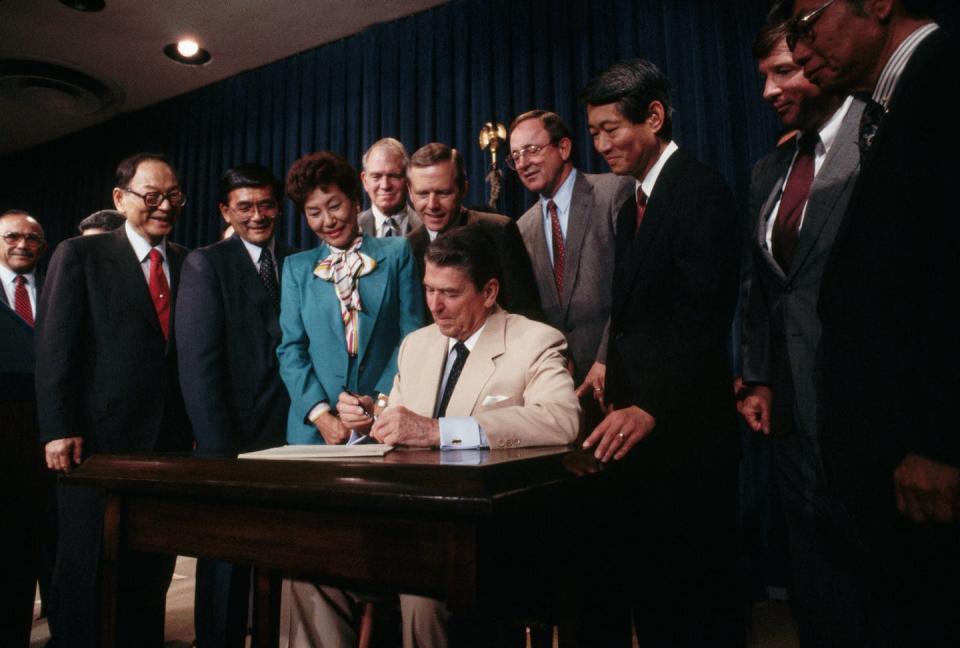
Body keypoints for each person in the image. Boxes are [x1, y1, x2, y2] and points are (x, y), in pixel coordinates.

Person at [316, 226, 580, 648]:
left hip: (482, 537)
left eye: (451, 294)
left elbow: (560, 419)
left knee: (423, 593)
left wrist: (439, 431)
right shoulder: (417, 345)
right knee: (307, 574)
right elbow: (396, 434)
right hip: (403, 522)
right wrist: (367, 425)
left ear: (489, 291)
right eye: (428, 290)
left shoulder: (533, 341)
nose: (435, 307)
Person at [787, 0, 959, 643]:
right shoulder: (897, 101)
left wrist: (942, 440)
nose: (800, 49)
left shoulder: (942, 81)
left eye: (808, 22)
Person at [579, 59, 743, 646]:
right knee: (655, 604)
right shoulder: (631, 207)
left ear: (654, 117)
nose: (600, 145)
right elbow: (634, 317)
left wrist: (649, 405)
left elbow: (702, 320)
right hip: (642, 441)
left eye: (611, 129)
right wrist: (606, 365)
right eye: (593, 132)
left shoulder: (700, 189)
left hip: (685, 436)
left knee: (695, 607)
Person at [738, 12, 867, 644]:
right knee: (817, 583)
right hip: (789, 411)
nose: (768, 91)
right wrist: (756, 376)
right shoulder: (772, 169)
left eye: (782, 72)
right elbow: (760, 286)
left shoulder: (879, 140)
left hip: (861, 403)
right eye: (763, 77)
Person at [35, 152, 194, 648]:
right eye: (152, 195)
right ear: (120, 199)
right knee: (88, 572)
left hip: (168, 448)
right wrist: (58, 427)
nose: (163, 205)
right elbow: (56, 348)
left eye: (173, 196)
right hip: (95, 447)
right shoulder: (79, 255)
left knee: (151, 573)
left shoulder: (191, 263)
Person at [175, 163, 299, 648]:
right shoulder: (206, 263)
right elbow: (199, 366)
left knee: (281, 562)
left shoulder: (300, 259)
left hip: (292, 439)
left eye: (266, 204)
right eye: (244, 206)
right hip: (231, 444)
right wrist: (218, 451)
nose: (258, 215)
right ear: (226, 210)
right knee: (226, 568)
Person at [509, 109, 632, 437]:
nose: (522, 163)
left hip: (622, 381)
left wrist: (606, 359)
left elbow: (630, 288)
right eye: (516, 156)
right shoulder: (522, 228)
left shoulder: (614, 193)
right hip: (563, 395)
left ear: (563, 148)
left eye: (532, 150)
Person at [405, 142, 542, 320]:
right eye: (423, 194)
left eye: (443, 193)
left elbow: (525, 312)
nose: (432, 205)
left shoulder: (499, 232)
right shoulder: (407, 247)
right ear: (410, 192)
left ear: (463, 190)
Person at [0, 209, 47, 646]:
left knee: (36, 549)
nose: (23, 244)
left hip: (45, 439)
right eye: (12, 235)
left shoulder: (56, 290)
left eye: (32, 238)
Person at [358, 138, 421, 237]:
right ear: (365, 181)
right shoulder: (351, 229)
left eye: (393, 176)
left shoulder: (427, 227)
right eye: (376, 176)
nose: (385, 185)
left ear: (408, 179)